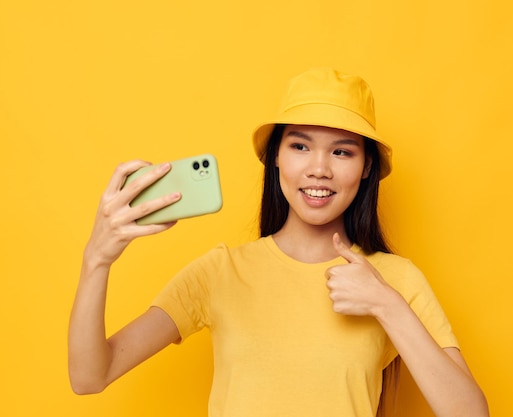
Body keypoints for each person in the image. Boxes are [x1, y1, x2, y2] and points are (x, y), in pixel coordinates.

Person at [68, 67, 489, 417]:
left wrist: (386, 304)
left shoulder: (394, 280)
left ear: (365, 168)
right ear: (275, 157)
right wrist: (96, 261)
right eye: (300, 146)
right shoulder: (221, 273)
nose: (319, 168)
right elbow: (89, 377)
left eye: (342, 152)